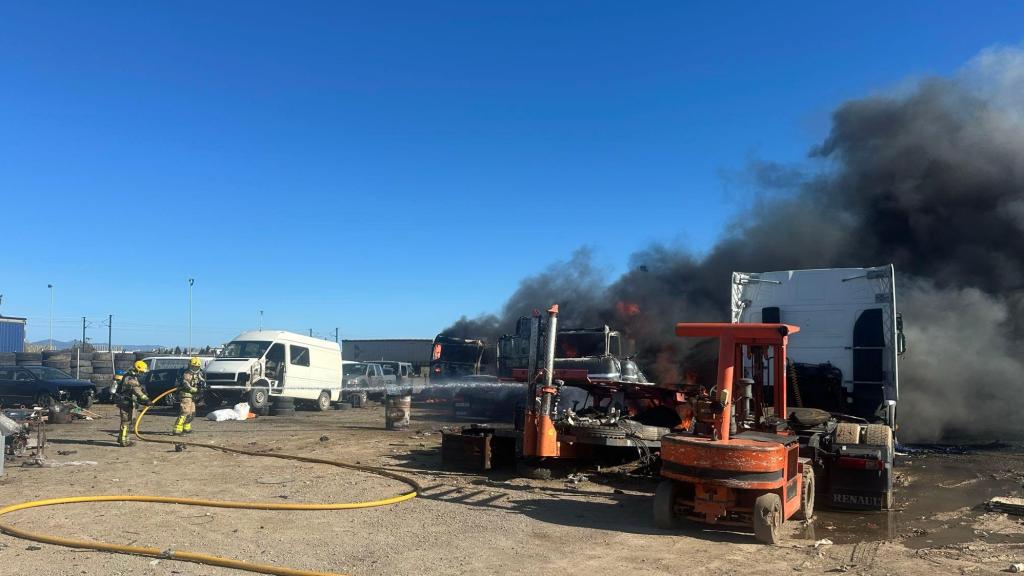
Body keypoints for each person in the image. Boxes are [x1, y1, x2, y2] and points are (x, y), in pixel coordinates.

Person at [116, 360, 152, 447]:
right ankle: (124, 441)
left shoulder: (132, 377)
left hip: (129, 402)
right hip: (125, 402)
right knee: (126, 421)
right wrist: (146, 400)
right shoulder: (130, 378)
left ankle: (121, 438)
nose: (143, 374)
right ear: (138, 369)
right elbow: (137, 391)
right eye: (142, 372)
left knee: (130, 421)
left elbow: (138, 389)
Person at [174, 357, 204, 435]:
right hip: (186, 395)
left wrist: (203, 385)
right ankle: (177, 429)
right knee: (185, 411)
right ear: (189, 366)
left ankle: (186, 428)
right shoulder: (187, 374)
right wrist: (194, 390)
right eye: (193, 367)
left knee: (192, 413)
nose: (194, 369)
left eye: (196, 367)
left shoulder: (198, 374)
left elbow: (202, 380)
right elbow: (186, 384)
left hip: (193, 396)